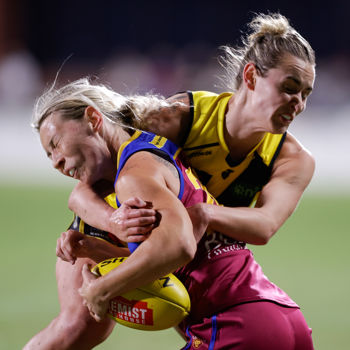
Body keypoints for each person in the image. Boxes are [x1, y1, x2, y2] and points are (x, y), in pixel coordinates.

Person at [24, 12, 316, 350]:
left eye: (305, 94)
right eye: (290, 88)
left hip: (197, 257)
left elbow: (264, 226)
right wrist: (112, 222)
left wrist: (205, 214)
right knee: (79, 326)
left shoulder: (292, 158)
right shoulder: (177, 119)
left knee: (184, 302)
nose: (298, 104)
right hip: (135, 228)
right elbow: (84, 190)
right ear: (251, 76)